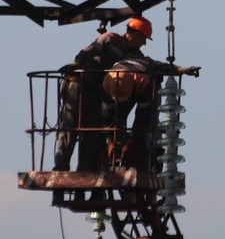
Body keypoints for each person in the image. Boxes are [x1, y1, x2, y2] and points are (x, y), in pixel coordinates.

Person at [53, 17, 154, 171]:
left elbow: (150, 64)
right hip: (78, 85)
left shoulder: (134, 55)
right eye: (144, 39)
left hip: (97, 93)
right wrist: (74, 65)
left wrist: (177, 69)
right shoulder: (110, 39)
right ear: (136, 34)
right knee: (68, 127)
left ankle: (84, 172)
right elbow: (88, 51)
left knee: (93, 134)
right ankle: (60, 168)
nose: (145, 43)